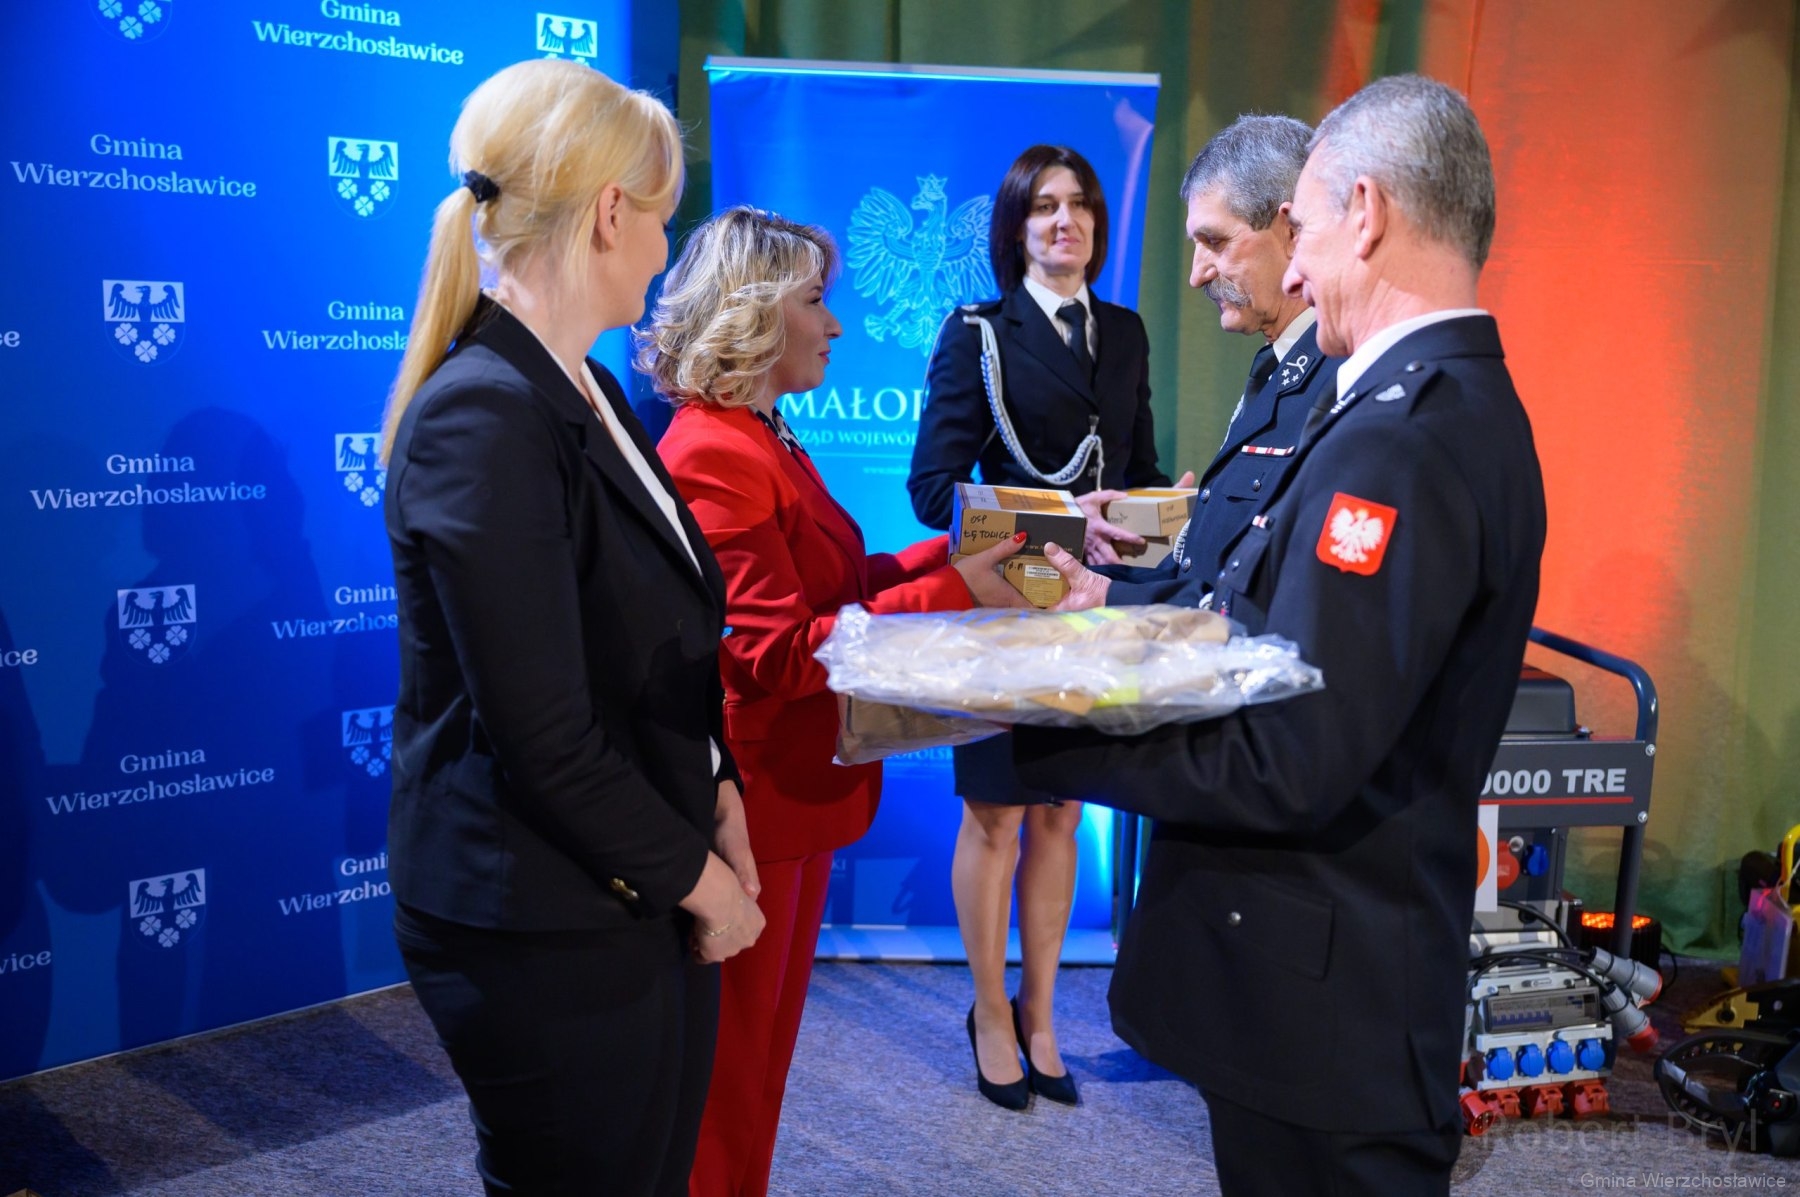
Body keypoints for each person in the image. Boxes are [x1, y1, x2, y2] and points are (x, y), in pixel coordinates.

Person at [1020, 75, 1547, 1197]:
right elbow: (1252, 624)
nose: (1293, 272)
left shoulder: (1403, 439)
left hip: (1331, 1007)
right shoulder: (1427, 406)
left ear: (1366, 212)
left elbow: (1292, 756)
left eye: (1297, 230)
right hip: (1316, 987)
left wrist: (1038, 726)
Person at [379, 60, 765, 1197]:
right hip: (541, 915)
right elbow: (543, 736)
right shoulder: (484, 415)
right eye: (662, 218)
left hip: (627, 882)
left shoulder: (581, 388)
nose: (665, 251)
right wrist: (705, 883)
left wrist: (720, 788)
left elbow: (652, 642)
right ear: (608, 214)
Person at [645, 207, 1029, 1195]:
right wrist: (955, 591)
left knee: (757, 1070)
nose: (836, 324)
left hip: (796, 798)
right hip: (757, 810)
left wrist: (960, 555)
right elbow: (775, 652)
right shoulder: (716, 451)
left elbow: (840, 585)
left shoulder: (760, 435)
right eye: (817, 301)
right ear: (754, 313)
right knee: (728, 1083)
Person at [908, 144, 1183, 1110]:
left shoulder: (1127, 331)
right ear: (1016, 227)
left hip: (1089, 609)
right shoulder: (978, 333)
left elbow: (1137, 470)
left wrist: (1170, 508)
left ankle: (1040, 1015)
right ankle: (989, 1012)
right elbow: (931, 491)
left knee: (1064, 812)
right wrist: (1066, 517)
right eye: (1045, 207)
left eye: (1081, 205)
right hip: (1008, 603)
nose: (1067, 222)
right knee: (996, 815)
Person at [1096, 115, 1339, 608]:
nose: (1196, 275)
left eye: (1215, 242)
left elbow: (1275, 600)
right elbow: (1196, 576)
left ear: (1290, 232)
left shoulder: (1340, 378)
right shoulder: (1275, 367)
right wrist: (1070, 582)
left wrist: (1104, 596)